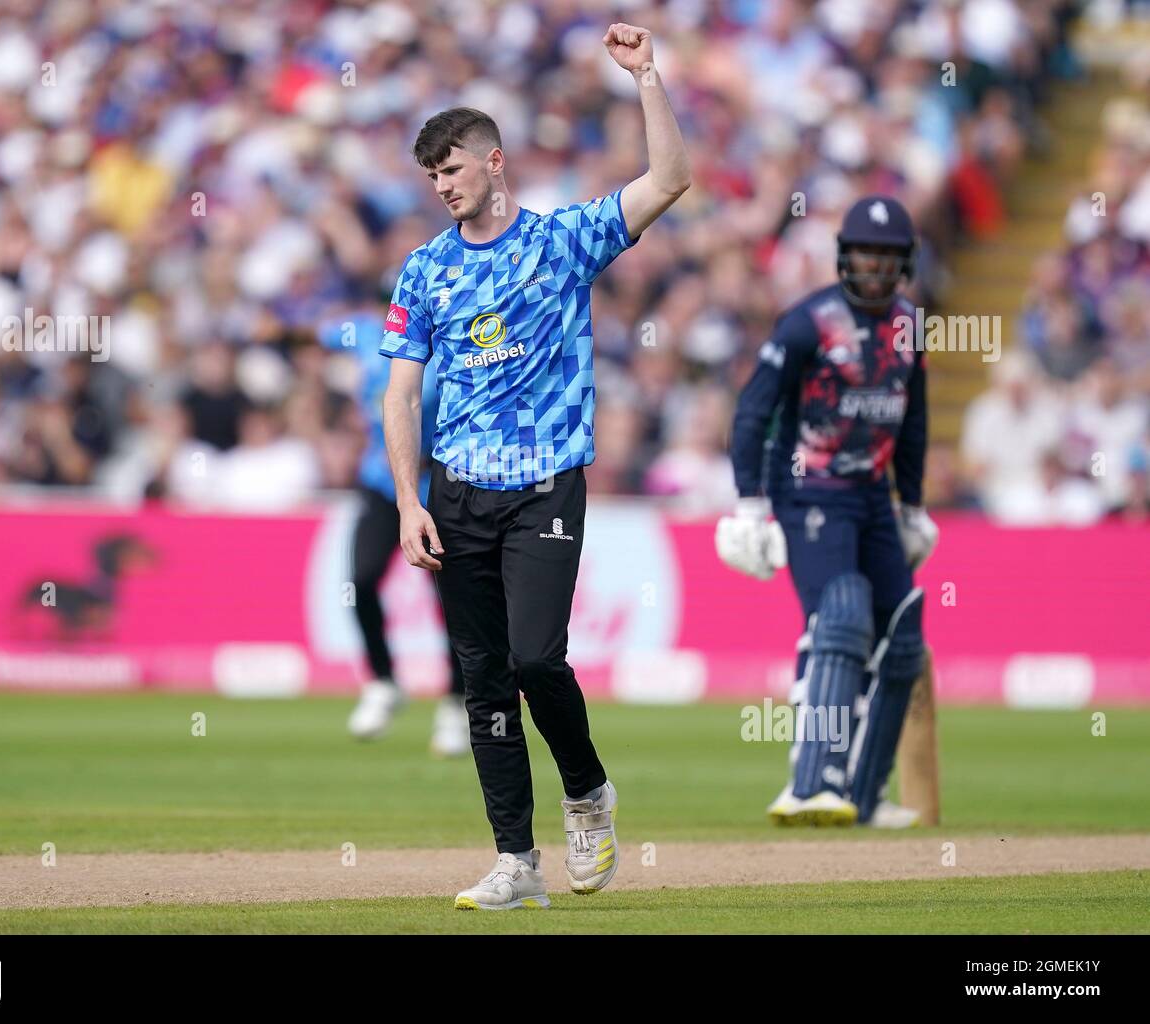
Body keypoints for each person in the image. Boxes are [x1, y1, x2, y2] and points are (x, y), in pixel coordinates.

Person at [380, 23, 690, 909]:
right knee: (482, 684)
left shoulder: (561, 244)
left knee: (534, 657)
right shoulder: (424, 273)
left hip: (546, 482)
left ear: (495, 162)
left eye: (454, 168)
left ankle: (588, 794)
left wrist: (648, 79)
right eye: (432, 174)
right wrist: (409, 500)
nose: (443, 185)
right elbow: (401, 396)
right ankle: (516, 861)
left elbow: (670, 180)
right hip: (457, 494)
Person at [718, 194, 939, 829]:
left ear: (904, 264)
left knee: (901, 635)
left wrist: (914, 507)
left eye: (886, 257)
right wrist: (749, 505)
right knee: (840, 613)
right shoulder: (807, 323)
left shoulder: (910, 327)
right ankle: (810, 782)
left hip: (872, 496)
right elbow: (753, 410)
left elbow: (914, 421)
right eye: (864, 254)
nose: (873, 267)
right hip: (809, 492)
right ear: (845, 256)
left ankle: (863, 798)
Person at [322, 309, 469, 756]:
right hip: (382, 483)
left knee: (453, 602)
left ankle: (456, 703)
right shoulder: (371, 334)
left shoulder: (457, 342)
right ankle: (384, 681)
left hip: (438, 488)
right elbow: (316, 332)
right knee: (361, 580)